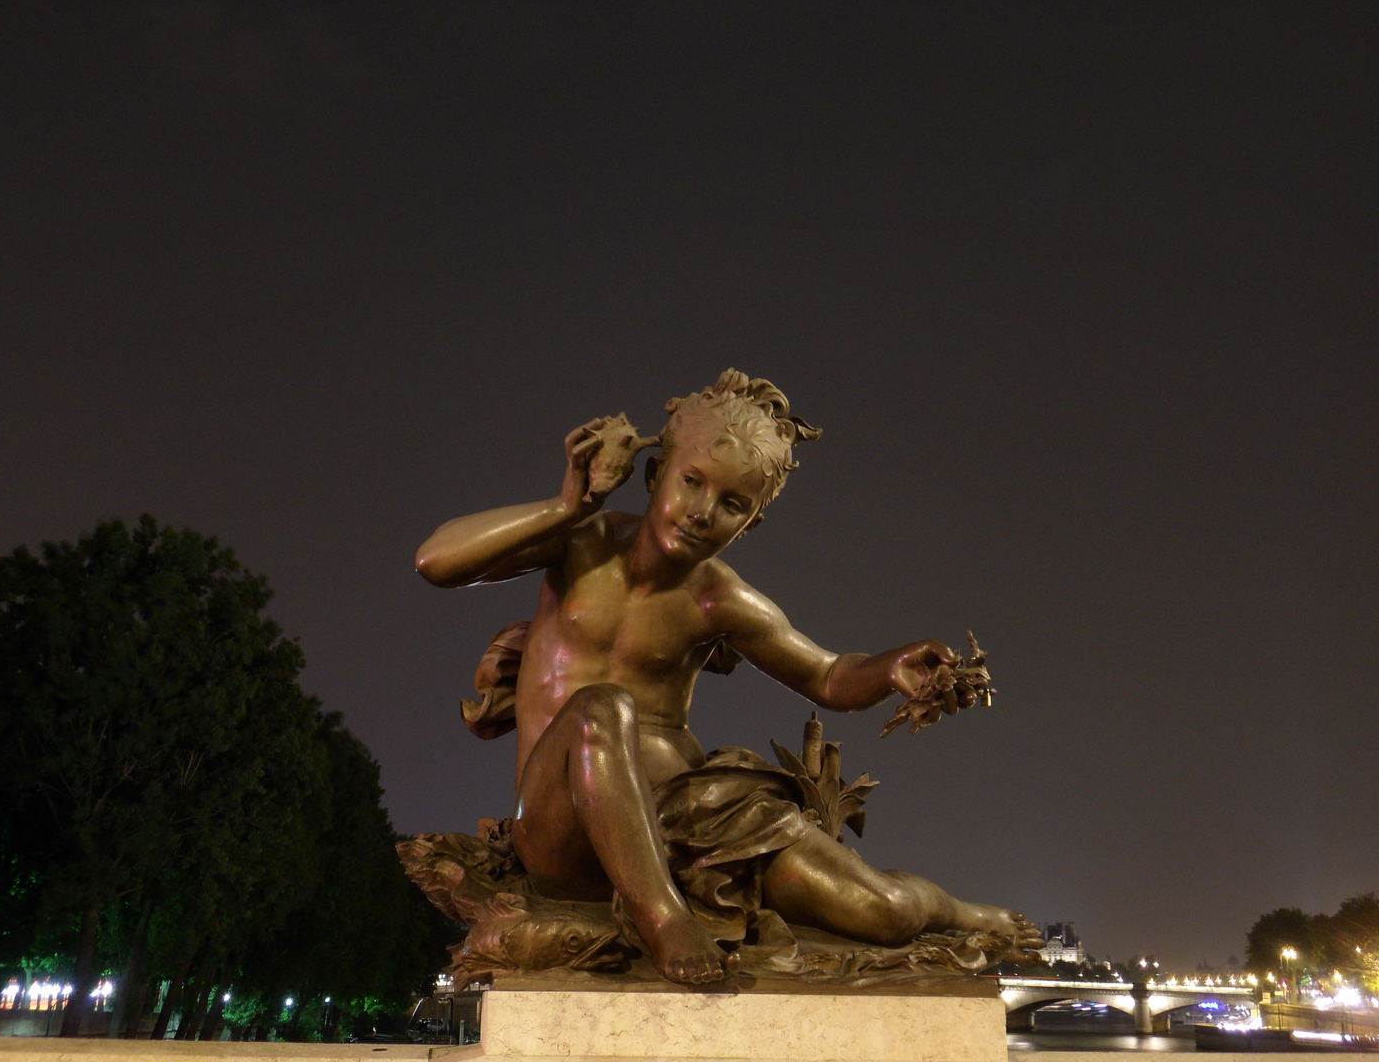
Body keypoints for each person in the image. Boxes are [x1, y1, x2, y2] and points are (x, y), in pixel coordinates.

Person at [415, 370, 1024, 985]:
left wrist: (889, 666)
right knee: (602, 708)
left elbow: (829, 675)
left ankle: (960, 912)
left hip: (690, 823)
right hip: (563, 832)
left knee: (883, 911)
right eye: (692, 482)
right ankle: (664, 920)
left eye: (732, 504)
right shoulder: (581, 542)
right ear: (657, 476)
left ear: (749, 525)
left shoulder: (718, 599)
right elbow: (435, 561)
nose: (703, 512)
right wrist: (567, 505)